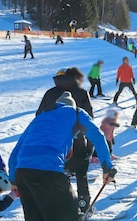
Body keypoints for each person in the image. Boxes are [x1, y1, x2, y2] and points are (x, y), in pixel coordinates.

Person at [5, 92, 115, 221]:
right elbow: (97, 135)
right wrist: (107, 167)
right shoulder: (75, 112)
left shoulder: (41, 117)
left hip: (24, 172)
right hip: (49, 173)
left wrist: (14, 181)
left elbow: (16, 150)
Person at [36, 68, 94, 213]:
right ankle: (83, 203)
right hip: (78, 139)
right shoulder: (81, 92)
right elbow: (89, 118)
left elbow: (39, 116)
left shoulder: (50, 93)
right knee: (81, 173)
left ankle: (59, 205)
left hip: (54, 140)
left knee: (57, 172)